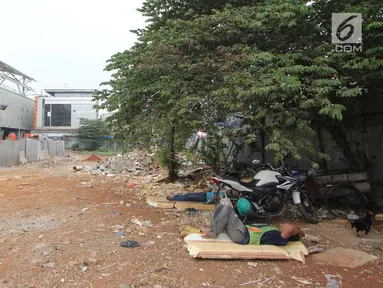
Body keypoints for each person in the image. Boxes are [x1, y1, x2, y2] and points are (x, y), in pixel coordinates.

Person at [202, 200, 305, 246]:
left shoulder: (280, 238)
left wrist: (299, 231)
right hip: (240, 230)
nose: (288, 224)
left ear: (290, 234)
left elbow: (291, 230)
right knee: (221, 206)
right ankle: (213, 228)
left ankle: (213, 233)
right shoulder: (274, 230)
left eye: (290, 226)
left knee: (228, 209)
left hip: (241, 236)